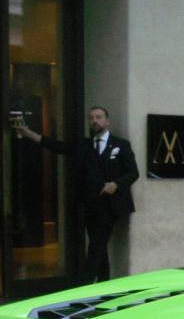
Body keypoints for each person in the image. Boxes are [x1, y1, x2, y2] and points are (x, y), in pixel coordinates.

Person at [14, 106, 138, 283]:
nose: (94, 120)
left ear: (107, 121)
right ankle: (104, 284)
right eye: (91, 118)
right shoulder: (83, 145)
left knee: (95, 246)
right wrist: (27, 133)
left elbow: (133, 172)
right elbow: (57, 146)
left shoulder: (121, 145)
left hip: (110, 206)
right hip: (89, 206)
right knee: (99, 246)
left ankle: (83, 286)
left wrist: (116, 184)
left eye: (99, 117)